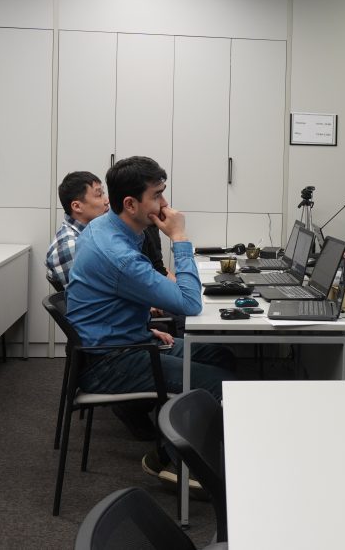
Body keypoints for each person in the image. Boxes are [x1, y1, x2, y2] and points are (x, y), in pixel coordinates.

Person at [65, 156, 236, 401]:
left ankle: (186, 416)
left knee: (221, 356)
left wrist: (140, 330)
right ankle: (178, 425)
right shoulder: (119, 257)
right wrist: (179, 237)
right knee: (222, 383)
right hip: (108, 362)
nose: (164, 203)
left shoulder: (103, 226)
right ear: (130, 204)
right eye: (157, 196)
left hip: (124, 342)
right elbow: (190, 303)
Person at [45, 171, 110, 290]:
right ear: (77, 206)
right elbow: (90, 295)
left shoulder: (94, 230)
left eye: (103, 193)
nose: (106, 201)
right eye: (99, 195)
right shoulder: (70, 245)